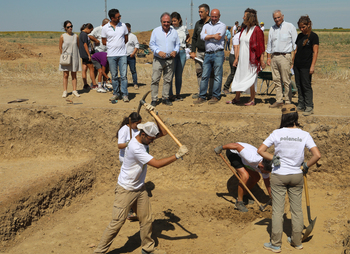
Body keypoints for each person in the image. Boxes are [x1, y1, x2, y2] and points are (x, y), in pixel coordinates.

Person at [94, 110, 189, 254]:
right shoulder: (135, 147)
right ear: (143, 134)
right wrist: (177, 155)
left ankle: (148, 248)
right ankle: (99, 252)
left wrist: (156, 115)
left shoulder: (144, 137)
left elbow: (162, 132)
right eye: (151, 139)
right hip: (125, 189)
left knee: (147, 219)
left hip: (139, 188)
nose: (152, 141)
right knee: (117, 223)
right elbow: (156, 164)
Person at [257, 104, 321, 252]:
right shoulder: (304, 134)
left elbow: (261, 150)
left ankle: (275, 244)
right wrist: (305, 166)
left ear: (283, 117)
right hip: (296, 175)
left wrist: (274, 158)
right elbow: (317, 155)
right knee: (297, 210)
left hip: (279, 175)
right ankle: (297, 241)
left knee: (278, 211)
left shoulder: (277, 133)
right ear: (296, 117)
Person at [214, 142, 272, 213]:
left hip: (243, 159)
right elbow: (236, 146)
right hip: (234, 153)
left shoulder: (266, 166)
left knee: (256, 177)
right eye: (265, 172)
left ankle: (244, 195)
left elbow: (268, 184)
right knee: (245, 176)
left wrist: (272, 197)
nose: (265, 174)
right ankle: (239, 202)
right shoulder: (252, 158)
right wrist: (221, 147)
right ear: (262, 167)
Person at [229, 8, 265, 106]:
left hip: (252, 60)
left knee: (251, 78)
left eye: (244, 16)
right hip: (242, 59)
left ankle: (252, 99)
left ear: (249, 17)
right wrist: (236, 58)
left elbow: (261, 47)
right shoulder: (244, 29)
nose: (242, 17)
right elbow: (240, 44)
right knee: (239, 76)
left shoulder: (257, 30)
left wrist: (262, 60)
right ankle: (237, 98)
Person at [193, 8, 226, 105]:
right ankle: (202, 96)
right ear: (210, 16)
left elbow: (218, 37)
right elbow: (202, 37)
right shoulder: (206, 25)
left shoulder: (222, 26)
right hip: (208, 53)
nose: (214, 18)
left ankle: (215, 96)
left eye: (216, 16)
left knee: (217, 76)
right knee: (204, 76)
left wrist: (208, 36)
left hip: (218, 53)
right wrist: (212, 36)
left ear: (219, 16)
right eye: (212, 16)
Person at [266, 10, 297, 108]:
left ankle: (287, 101)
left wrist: (293, 59)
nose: (277, 19)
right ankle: (279, 100)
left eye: (278, 17)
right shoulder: (272, 28)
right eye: (275, 18)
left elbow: (295, 44)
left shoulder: (290, 27)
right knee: (276, 80)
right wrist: (268, 57)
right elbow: (269, 43)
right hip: (274, 56)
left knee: (286, 80)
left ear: (282, 16)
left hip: (285, 56)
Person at [149, 12, 180, 107]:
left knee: (168, 80)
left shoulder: (174, 32)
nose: (166, 24)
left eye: (168, 22)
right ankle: (154, 99)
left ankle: (165, 98)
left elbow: (177, 45)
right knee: (155, 80)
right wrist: (158, 51)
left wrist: (175, 51)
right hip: (158, 59)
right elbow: (151, 44)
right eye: (164, 22)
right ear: (161, 21)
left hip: (170, 59)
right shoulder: (156, 31)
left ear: (170, 22)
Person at [292, 15, 319, 116]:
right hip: (297, 65)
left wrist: (312, 66)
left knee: (306, 85)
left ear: (308, 25)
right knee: (299, 85)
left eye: (303, 27)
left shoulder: (313, 36)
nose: (302, 29)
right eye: (300, 27)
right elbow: (296, 50)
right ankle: (301, 104)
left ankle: (309, 106)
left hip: (306, 65)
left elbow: (315, 52)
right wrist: (293, 62)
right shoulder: (299, 36)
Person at [102, 9, 129, 102]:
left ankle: (125, 94)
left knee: (124, 76)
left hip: (122, 55)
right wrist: (113, 46)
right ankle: (116, 93)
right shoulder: (105, 28)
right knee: (114, 76)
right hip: (111, 55)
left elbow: (126, 39)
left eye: (120, 16)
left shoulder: (123, 26)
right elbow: (104, 41)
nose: (120, 18)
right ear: (112, 18)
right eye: (118, 17)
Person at [190, 4, 214, 99]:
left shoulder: (213, 23)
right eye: (199, 12)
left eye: (201, 12)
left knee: (211, 73)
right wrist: (193, 51)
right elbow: (194, 38)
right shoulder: (198, 24)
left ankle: (211, 93)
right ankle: (201, 92)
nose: (199, 14)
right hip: (199, 53)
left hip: (210, 53)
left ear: (207, 12)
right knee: (199, 72)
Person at [169, 12, 190, 102]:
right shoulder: (169, 28)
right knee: (170, 74)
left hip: (181, 52)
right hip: (172, 53)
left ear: (179, 20)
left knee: (179, 75)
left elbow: (188, 36)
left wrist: (186, 42)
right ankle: (170, 94)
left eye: (175, 21)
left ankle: (178, 94)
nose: (173, 22)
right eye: (172, 21)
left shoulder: (184, 28)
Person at [59, 20, 81, 98]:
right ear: (65, 28)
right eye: (68, 27)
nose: (70, 28)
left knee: (74, 74)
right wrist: (63, 56)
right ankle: (65, 91)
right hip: (66, 58)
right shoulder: (62, 36)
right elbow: (60, 47)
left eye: (71, 26)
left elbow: (78, 46)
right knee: (65, 74)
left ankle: (74, 90)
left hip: (74, 57)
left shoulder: (76, 36)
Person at [222, 25, 241, 94]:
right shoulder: (237, 36)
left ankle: (238, 89)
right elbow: (236, 48)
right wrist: (236, 59)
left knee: (239, 74)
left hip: (239, 56)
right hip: (234, 56)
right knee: (233, 73)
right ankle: (225, 88)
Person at [79, 23, 98, 90]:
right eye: (90, 30)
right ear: (87, 28)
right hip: (86, 54)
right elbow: (85, 45)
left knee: (84, 69)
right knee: (91, 69)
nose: (91, 32)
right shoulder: (84, 35)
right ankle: (94, 85)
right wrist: (89, 55)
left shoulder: (81, 34)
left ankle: (85, 85)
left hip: (82, 54)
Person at [125, 23, 140, 90]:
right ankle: (124, 84)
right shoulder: (121, 36)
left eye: (127, 28)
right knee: (124, 71)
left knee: (133, 70)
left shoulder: (133, 36)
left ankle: (135, 83)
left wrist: (133, 53)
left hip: (131, 56)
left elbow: (136, 46)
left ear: (129, 28)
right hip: (123, 56)